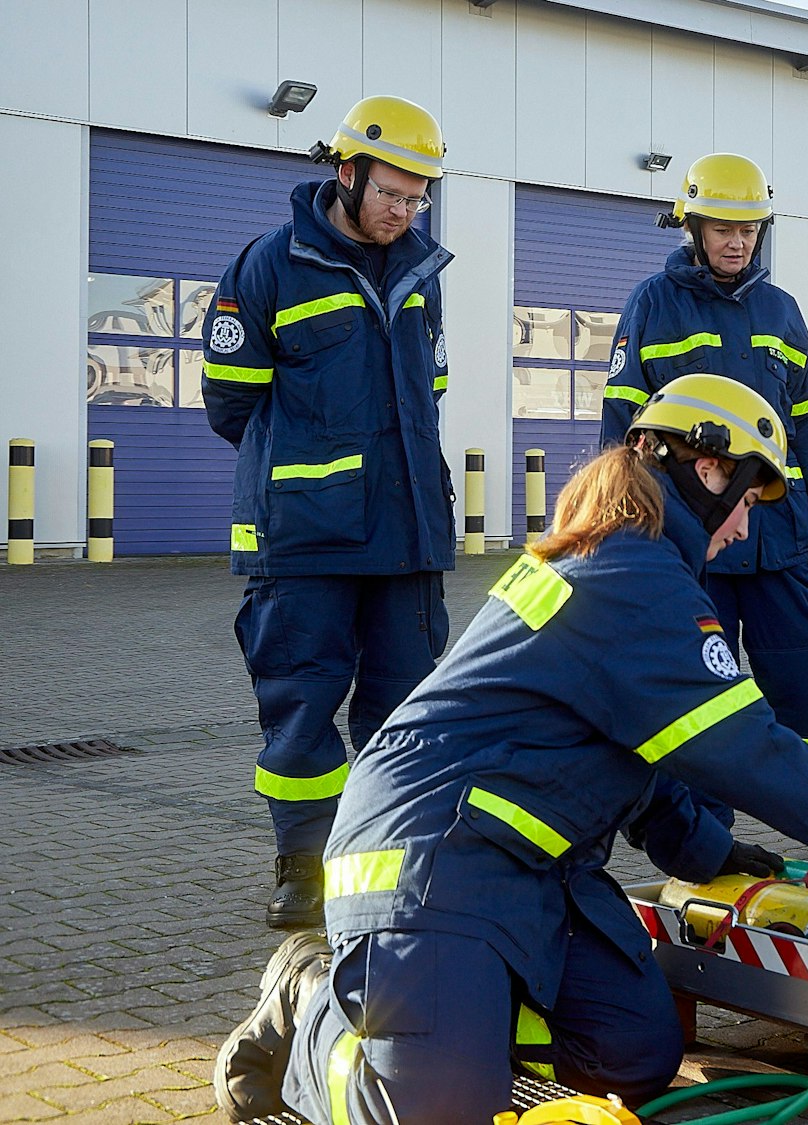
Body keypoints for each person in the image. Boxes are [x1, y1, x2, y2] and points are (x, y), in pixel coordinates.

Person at [211, 377, 808, 1125]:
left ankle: (460, 1014)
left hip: (528, 867)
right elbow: (744, 748)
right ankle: (312, 1004)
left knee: (632, 1054)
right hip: (435, 859)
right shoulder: (634, 573)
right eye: (748, 500)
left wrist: (713, 848)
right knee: (439, 1111)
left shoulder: (622, 556)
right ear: (708, 466)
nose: (745, 527)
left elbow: (639, 753)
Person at [203, 96, 456, 930]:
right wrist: (313, 475)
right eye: (392, 192)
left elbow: (431, 392)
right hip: (306, 539)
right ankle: (305, 865)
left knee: (407, 707)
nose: (404, 209)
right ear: (346, 175)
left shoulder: (423, 271)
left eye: (417, 198)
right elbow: (231, 404)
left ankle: (383, 862)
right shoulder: (268, 267)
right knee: (301, 710)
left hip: (408, 536)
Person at [598, 153, 808, 772]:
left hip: (778, 539)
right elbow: (622, 425)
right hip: (692, 545)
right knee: (700, 699)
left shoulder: (780, 310)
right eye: (723, 229)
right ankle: (706, 849)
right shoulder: (652, 305)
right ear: (694, 229)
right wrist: (619, 524)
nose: (737, 242)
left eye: (749, 230)